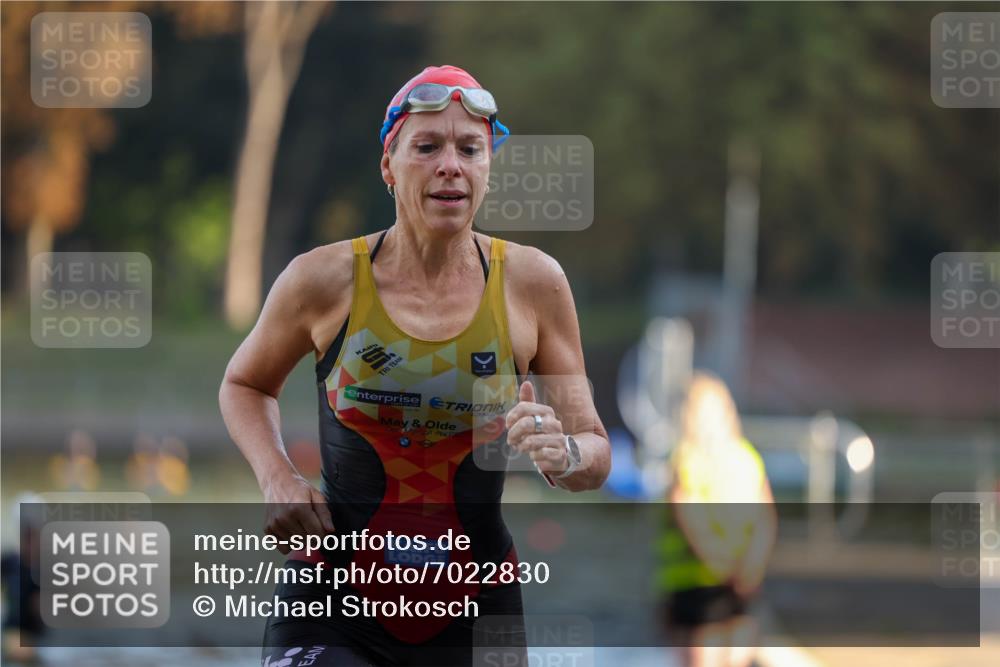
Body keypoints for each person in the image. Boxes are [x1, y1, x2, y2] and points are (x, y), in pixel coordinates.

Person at [219, 65, 610, 667]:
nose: (450, 165)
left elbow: (595, 452)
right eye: (427, 147)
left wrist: (567, 454)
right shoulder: (323, 279)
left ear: (488, 167)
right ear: (389, 166)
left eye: (469, 149)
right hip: (334, 596)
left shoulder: (533, 283)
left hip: (475, 603)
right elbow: (244, 383)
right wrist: (277, 477)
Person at [657, 372, 777, 667]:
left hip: (730, 579)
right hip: (701, 583)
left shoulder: (742, 457)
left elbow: (765, 517)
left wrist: (748, 567)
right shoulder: (688, 459)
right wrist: (737, 568)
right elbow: (690, 519)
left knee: (732, 654)